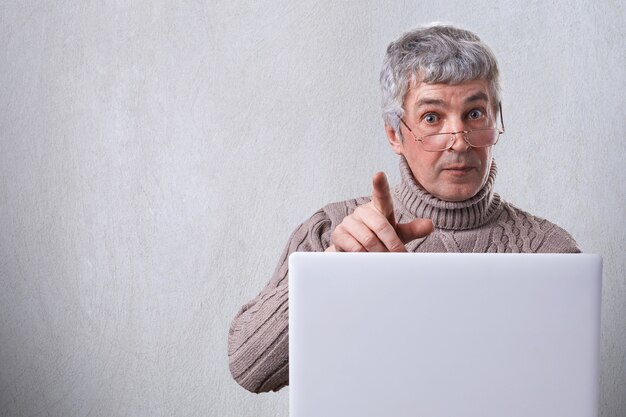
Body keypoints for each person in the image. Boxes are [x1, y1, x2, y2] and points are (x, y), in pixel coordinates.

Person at [228, 24, 580, 393]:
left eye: (475, 114)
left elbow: (561, 393)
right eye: (432, 118)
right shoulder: (334, 229)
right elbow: (249, 368)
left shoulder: (549, 250)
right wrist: (332, 270)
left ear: (496, 121)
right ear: (395, 133)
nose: (459, 142)